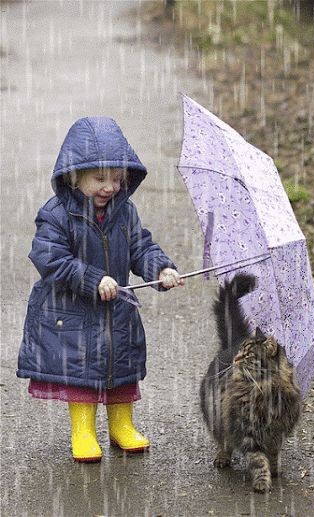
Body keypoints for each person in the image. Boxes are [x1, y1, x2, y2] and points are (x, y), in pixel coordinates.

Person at [17, 116, 184, 462]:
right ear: (74, 177)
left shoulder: (125, 212)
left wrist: (162, 268)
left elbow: (141, 246)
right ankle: (84, 430)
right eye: (99, 178)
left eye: (116, 178)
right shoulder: (57, 214)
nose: (109, 187)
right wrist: (92, 279)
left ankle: (122, 425)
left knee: (120, 368)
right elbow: (50, 258)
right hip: (73, 312)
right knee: (81, 371)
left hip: (117, 308)